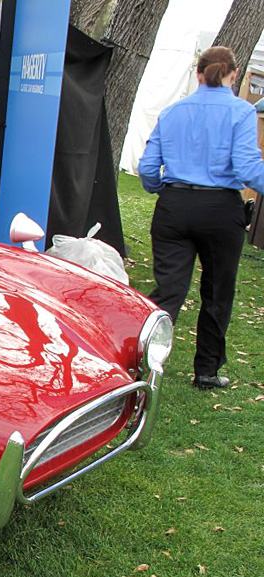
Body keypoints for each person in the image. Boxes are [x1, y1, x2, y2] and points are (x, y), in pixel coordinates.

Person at [138, 46, 264, 390]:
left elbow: (148, 168)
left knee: (167, 291)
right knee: (218, 291)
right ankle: (206, 371)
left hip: (175, 205)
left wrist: (162, 190)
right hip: (221, 209)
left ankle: (142, 362)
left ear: (198, 74)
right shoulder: (240, 112)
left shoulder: (173, 111)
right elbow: (248, 168)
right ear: (234, 75)